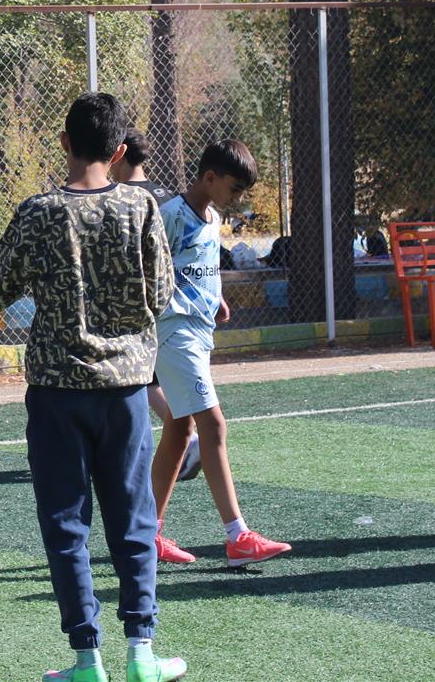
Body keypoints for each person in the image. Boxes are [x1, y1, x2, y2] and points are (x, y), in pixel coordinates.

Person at [0, 93, 186, 682]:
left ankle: (86, 658)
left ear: (64, 143)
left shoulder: (39, 211)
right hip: (126, 388)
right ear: (119, 151)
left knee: (66, 523)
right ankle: (141, 652)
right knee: (134, 521)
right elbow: (162, 294)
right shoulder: (141, 207)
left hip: (57, 389)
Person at [150, 140, 291, 568]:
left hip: (198, 332)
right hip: (173, 332)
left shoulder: (211, 218)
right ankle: (237, 536)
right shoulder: (171, 216)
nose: (237, 198)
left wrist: (216, 298)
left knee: (179, 430)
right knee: (213, 426)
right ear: (209, 177)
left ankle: (146, 533)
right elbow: (148, 269)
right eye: (234, 188)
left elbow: (197, 270)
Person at [112, 128, 201, 485]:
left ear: (118, 155)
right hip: (175, 301)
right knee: (158, 377)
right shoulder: (168, 196)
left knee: (141, 379)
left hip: (140, 302)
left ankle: (186, 437)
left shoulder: (122, 198)